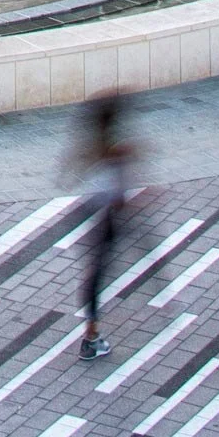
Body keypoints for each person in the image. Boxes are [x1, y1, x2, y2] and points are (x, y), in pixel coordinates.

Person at [77, 96, 134, 361]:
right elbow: (119, 198)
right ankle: (91, 336)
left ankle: (91, 331)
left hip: (94, 212)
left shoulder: (99, 142)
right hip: (105, 217)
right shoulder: (115, 150)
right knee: (97, 274)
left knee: (95, 274)